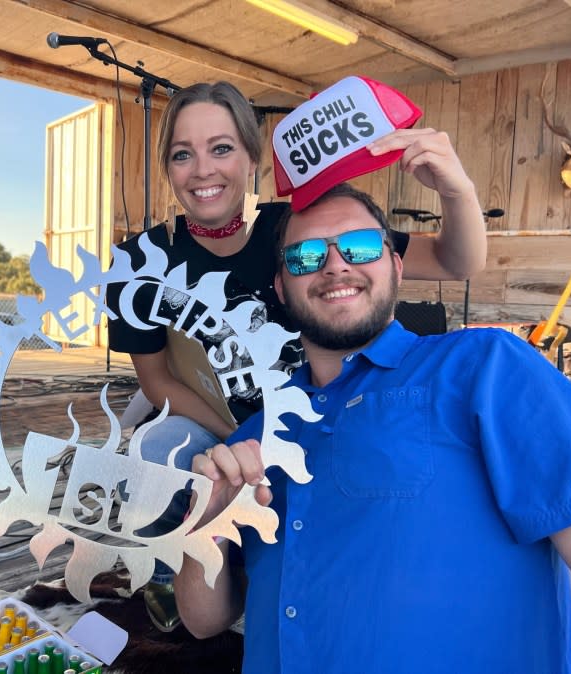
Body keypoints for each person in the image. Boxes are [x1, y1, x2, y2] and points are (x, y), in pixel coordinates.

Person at [174, 183, 571, 673]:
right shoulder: (252, 440)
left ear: (396, 267)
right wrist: (204, 523)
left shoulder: (484, 367)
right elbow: (202, 620)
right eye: (305, 255)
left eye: (360, 246)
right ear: (281, 287)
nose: (335, 265)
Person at [106, 80, 487, 630]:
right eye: (182, 154)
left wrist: (455, 190)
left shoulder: (303, 228)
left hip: (327, 416)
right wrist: (242, 433)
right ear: (167, 166)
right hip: (228, 427)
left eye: (221, 148)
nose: (203, 170)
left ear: (252, 158)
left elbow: (457, 261)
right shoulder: (138, 262)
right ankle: (173, 569)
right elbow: (156, 379)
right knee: (157, 443)